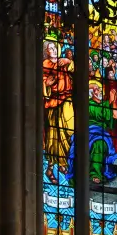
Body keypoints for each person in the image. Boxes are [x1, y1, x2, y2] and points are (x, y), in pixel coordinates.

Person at [43, 41, 74, 181]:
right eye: (50, 48)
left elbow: (77, 71)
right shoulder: (45, 65)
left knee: (69, 130)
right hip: (53, 103)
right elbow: (44, 85)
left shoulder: (63, 61)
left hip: (67, 99)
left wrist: (68, 61)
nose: (53, 50)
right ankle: (51, 168)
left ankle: (63, 163)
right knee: (54, 136)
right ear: (46, 52)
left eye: (55, 47)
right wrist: (47, 84)